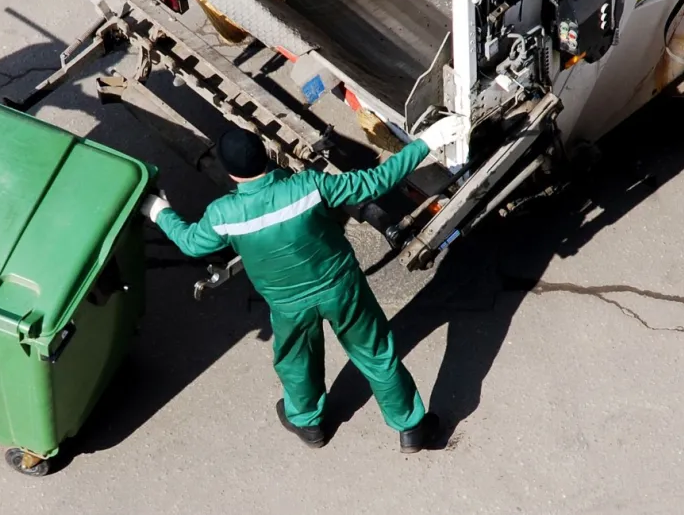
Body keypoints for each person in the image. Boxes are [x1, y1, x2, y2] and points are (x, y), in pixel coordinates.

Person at [140, 117, 464, 451]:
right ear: (265, 155)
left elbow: (192, 243)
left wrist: (158, 210)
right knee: (376, 352)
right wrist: (427, 141)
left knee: (296, 360)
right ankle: (410, 426)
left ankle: (308, 422)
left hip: (288, 305)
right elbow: (376, 181)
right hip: (341, 288)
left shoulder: (224, 214)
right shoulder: (308, 186)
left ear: (231, 173)